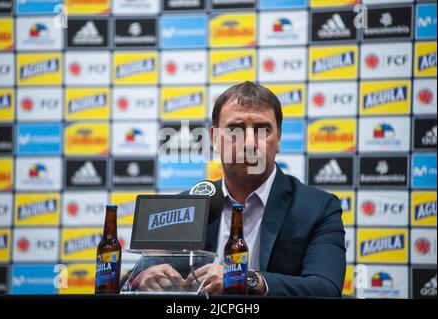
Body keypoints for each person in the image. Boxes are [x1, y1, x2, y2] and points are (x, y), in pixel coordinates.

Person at [128, 81, 346, 297]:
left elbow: (326, 289)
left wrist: (247, 279)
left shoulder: (318, 208)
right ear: (214, 138)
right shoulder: (189, 204)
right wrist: (143, 277)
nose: (250, 143)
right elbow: (127, 281)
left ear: (278, 138)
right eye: (235, 130)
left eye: (262, 130)